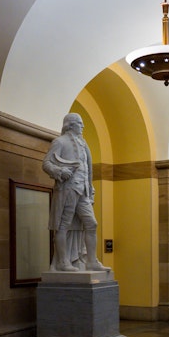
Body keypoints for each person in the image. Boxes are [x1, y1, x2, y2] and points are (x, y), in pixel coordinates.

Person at [42, 113, 108, 272]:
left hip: (83, 191)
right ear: (70, 125)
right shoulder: (60, 142)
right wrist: (59, 171)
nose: (83, 126)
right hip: (68, 188)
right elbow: (46, 163)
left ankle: (91, 261)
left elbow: (88, 168)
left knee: (91, 223)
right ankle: (62, 262)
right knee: (62, 225)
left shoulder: (83, 144)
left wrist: (90, 187)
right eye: (80, 123)